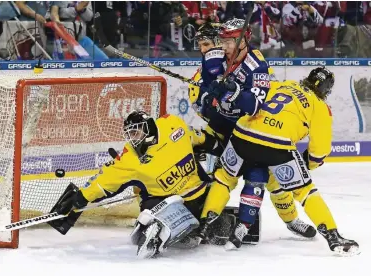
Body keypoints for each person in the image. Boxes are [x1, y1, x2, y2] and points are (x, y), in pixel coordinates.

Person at [199, 67, 360, 256]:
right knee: (305, 192)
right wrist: (308, 165)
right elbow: (320, 151)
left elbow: (250, 98)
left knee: (224, 179)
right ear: (326, 90)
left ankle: (203, 225)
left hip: (242, 134)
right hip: (277, 145)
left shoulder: (280, 85)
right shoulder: (320, 106)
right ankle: (333, 236)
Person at [190, 19, 316, 248]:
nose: (219, 46)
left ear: (243, 40)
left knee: (271, 182)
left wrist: (234, 91)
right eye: (220, 41)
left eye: (228, 40)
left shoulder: (257, 65)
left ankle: (290, 220)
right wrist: (208, 97)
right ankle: (202, 217)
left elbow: (254, 105)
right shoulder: (212, 58)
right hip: (220, 126)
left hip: (247, 130)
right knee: (214, 171)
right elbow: (201, 98)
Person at [46, 110, 224, 259]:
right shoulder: (130, 157)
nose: (133, 138)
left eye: (136, 132)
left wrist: (218, 147)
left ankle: (197, 224)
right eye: (130, 134)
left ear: (148, 128)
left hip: (198, 194)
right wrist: (83, 196)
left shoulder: (173, 126)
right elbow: (105, 180)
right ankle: (155, 228)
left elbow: (198, 138)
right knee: (145, 200)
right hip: (167, 203)